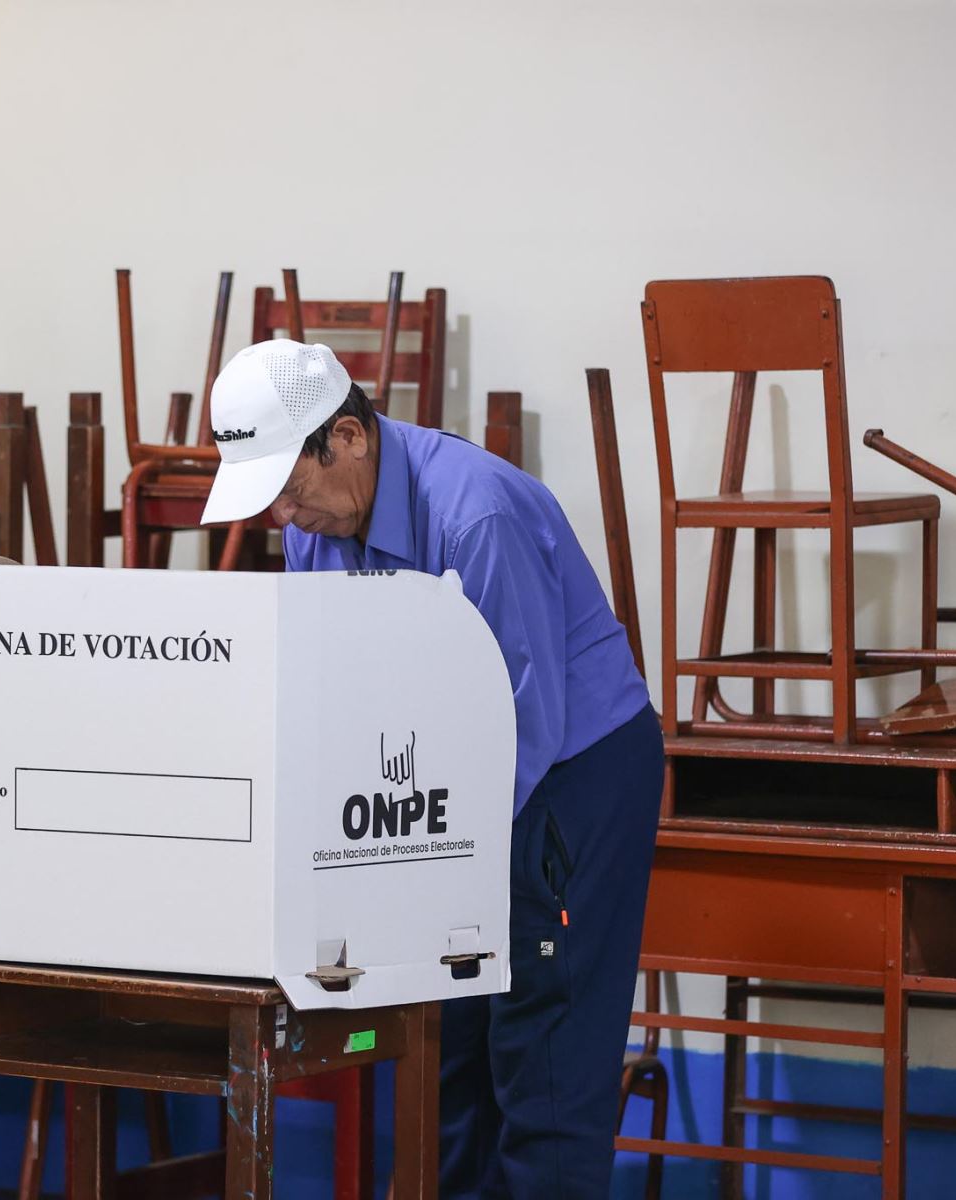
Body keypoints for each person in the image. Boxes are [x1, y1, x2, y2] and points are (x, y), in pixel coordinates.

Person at [201, 339, 663, 1198]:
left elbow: (528, 719)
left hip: (569, 778)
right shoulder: (316, 534)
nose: (287, 521)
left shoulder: (476, 514)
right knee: (448, 1057)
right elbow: (338, 697)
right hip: (440, 795)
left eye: (293, 491)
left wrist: (426, 854)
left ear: (348, 436)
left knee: (543, 1058)